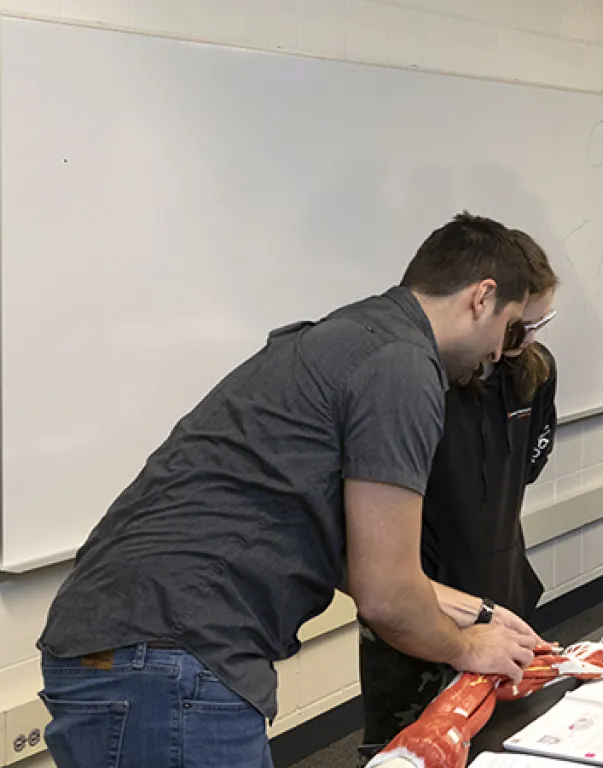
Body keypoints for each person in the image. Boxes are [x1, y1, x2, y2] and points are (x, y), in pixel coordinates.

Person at [36, 213, 546, 767]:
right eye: (511, 328)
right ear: (481, 297)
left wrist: (477, 610)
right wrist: (468, 646)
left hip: (134, 646)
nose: (501, 353)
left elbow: (355, 559)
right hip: (172, 656)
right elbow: (387, 596)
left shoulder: (354, 338)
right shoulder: (403, 367)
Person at [356, 230, 559, 761]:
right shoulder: (421, 378)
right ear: (487, 305)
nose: (522, 340)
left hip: (504, 583)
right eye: (520, 326)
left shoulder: (535, 374)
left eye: (539, 325)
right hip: (423, 596)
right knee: (411, 744)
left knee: (505, 740)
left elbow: (533, 460)